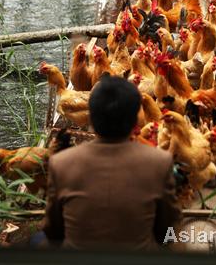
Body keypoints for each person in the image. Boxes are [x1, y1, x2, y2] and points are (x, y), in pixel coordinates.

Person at [43, 74, 181, 250]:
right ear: (134, 121)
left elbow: (53, 230)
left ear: (91, 118)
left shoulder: (61, 163)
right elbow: (166, 229)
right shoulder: (160, 162)